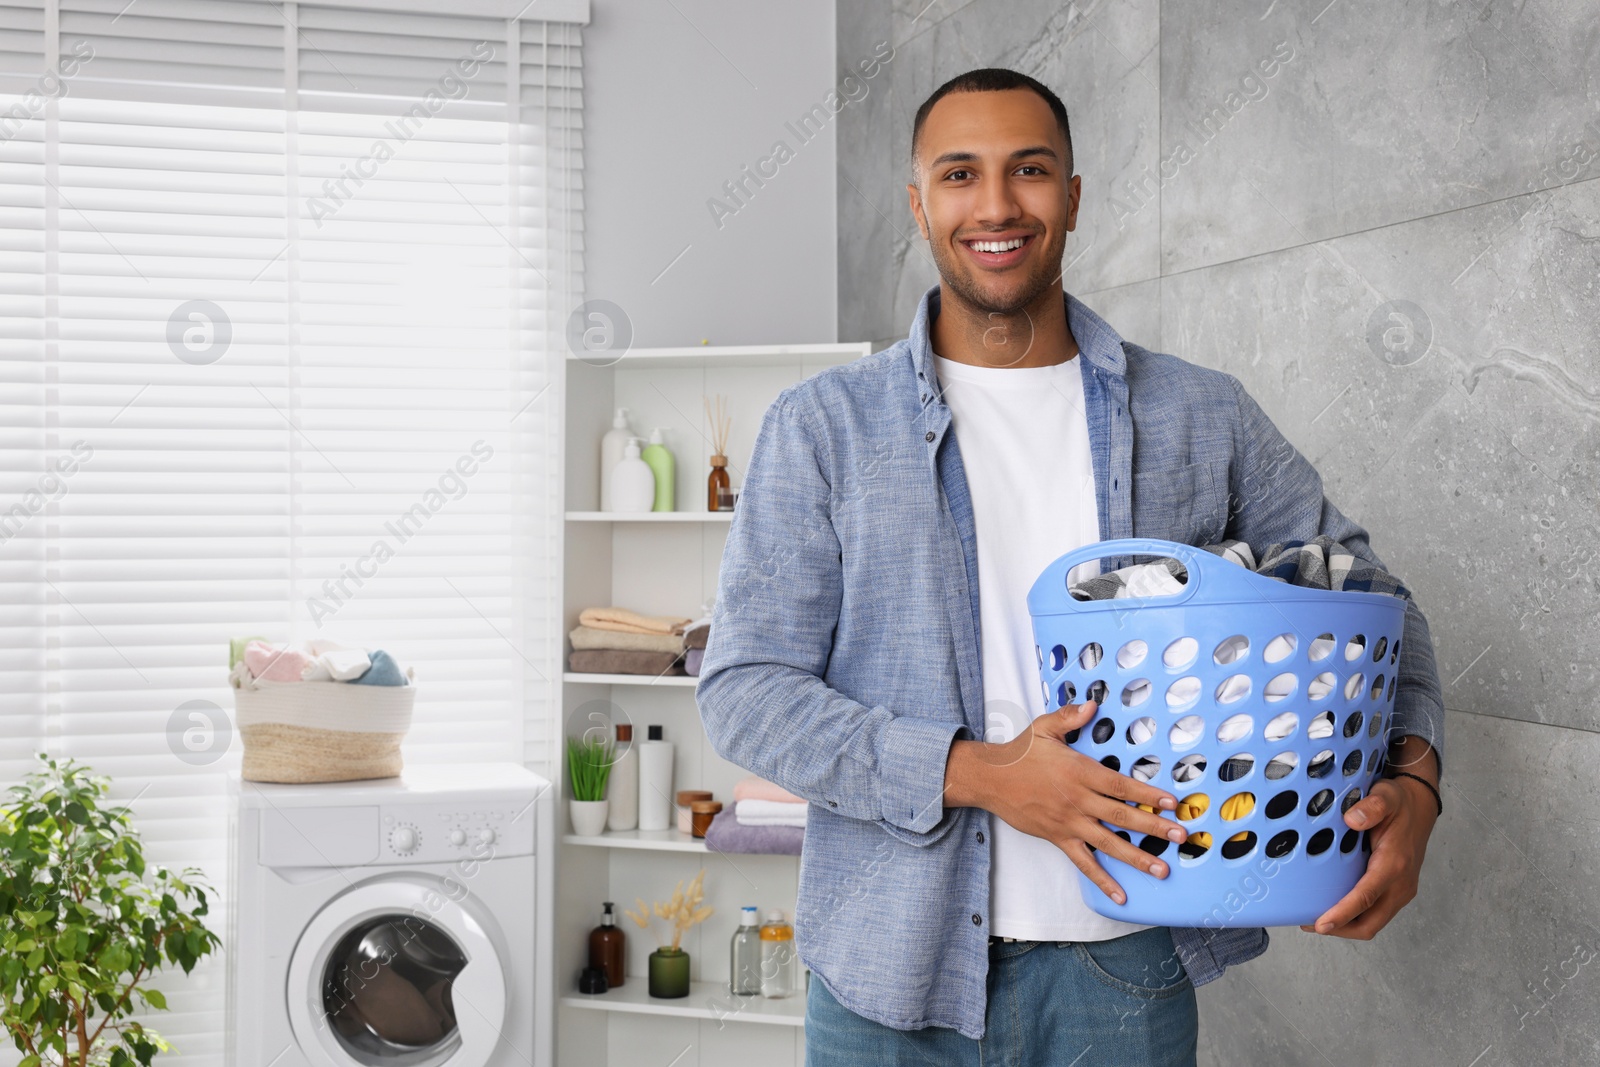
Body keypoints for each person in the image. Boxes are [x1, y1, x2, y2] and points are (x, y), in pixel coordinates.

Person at [696, 67, 1444, 1066]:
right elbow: (744, 690)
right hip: (886, 978)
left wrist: (1417, 784)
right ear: (919, 205)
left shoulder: (1199, 413)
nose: (997, 205)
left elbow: (1372, 599)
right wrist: (984, 775)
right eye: (960, 174)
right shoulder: (824, 429)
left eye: (1030, 170)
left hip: (1121, 974)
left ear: (1074, 197)